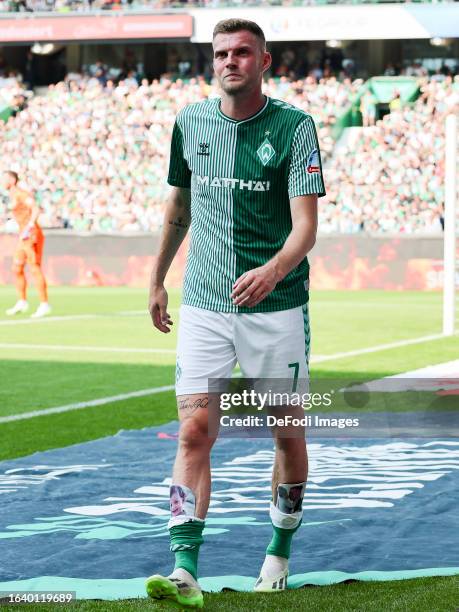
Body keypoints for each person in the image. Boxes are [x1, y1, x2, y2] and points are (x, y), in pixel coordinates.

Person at [146, 18, 325, 609]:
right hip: (203, 306)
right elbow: (179, 202)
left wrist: (272, 270)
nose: (230, 61)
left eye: (242, 52)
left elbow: (306, 228)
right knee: (195, 431)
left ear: (264, 61)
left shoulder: (296, 129)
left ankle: (278, 551)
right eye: (221, 53)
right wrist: (157, 277)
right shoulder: (189, 122)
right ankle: (183, 568)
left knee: (285, 430)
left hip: (276, 307)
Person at [3, 170, 51, 318]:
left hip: (31, 234)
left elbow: (35, 208)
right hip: (22, 235)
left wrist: (30, 225)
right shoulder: (11, 196)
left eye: (4, 178)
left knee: (34, 267)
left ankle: (44, 304)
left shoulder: (21, 194)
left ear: (11, 180)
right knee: (16, 268)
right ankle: (22, 301)